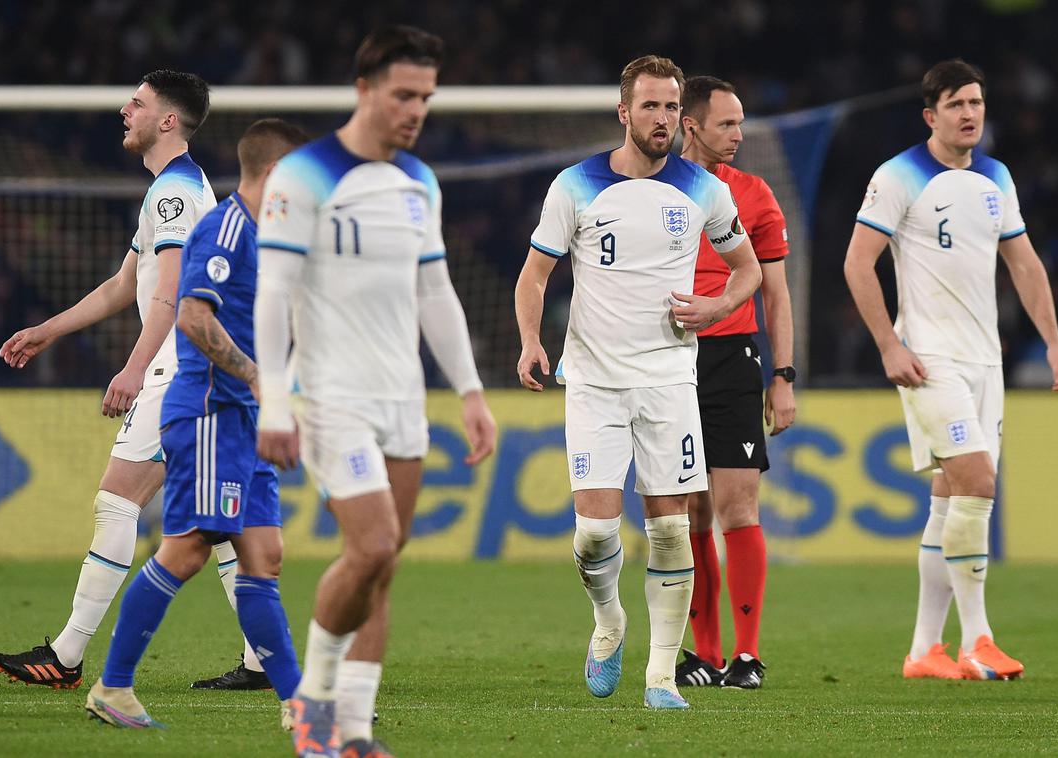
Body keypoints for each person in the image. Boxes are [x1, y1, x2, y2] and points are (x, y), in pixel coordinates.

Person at [252, 25, 497, 756]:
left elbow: (435, 292)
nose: (416, 109)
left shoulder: (419, 181)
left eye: (425, 96)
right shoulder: (304, 176)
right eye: (403, 95)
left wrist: (471, 391)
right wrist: (272, 401)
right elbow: (273, 295)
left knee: (383, 570)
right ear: (364, 91)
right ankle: (312, 703)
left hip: (403, 401)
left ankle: (353, 732)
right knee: (373, 545)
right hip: (332, 398)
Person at [0, 70, 266, 690]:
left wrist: (137, 369)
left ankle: (65, 655)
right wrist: (48, 330)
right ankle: (262, 658)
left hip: (178, 365)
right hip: (203, 367)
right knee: (209, 520)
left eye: (136, 104)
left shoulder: (173, 194)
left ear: (168, 120)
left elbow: (169, 292)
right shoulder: (177, 189)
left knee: (118, 501)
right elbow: (124, 285)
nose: (124, 110)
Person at [515, 55, 763, 710]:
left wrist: (715, 309)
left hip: (669, 379)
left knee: (671, 528)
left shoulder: (704, 191)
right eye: (649, 106)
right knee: (594, 534)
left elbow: (749, 271)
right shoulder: (576, 184)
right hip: (595, 378)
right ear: (623, 112)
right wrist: (532, 341)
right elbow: (535, 273)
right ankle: (609, 622)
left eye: (671, 107)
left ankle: (659, 678)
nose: (662, 119)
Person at [843, 59, 1058, 681]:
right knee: (976, 483)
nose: (970, 113)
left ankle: (924, 651)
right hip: (929, 359)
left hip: (985, 360)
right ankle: (978, 638)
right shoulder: (899, 175)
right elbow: (857, 264)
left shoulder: (996, 176)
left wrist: (1053, 341)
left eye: (976, 102)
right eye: (956, 105)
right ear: (931, 115)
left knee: (949, 499)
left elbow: (1025, 265)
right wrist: (890, 344)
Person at [84, 119, 310, 729]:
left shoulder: (275, 237)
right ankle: (114, 685)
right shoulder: (225, 227)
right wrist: (257, 377)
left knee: (264, 554)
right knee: (185, 552)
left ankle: (298, 704)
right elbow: (191, 316)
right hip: (210, 412)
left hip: (248, 417)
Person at [673, 76, 796, 690]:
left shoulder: (752, 194)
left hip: (733, 359)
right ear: (691, 125)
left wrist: (783, 374)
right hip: (666, 360)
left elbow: (775, 293)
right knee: (690, 511)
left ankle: (746, 656)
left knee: (737, 505)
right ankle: (704, 653)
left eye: (741, 122)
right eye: (727, 124)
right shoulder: (653, 190)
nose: (739, 135)